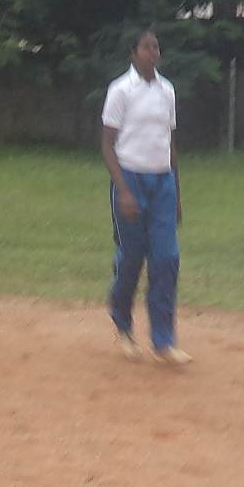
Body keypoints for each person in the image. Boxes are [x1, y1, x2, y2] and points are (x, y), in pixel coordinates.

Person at [100, 29, 190, 366]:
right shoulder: (120, 91)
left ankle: (164, 340)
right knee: (132, 258)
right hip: (131, 180)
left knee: (166, 258)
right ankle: (123, 325)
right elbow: (107, 145)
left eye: (157, 47)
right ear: (133, 52)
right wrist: (122, 189)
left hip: (162, 181)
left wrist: (177, 193)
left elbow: (171, 142)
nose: (154, 52)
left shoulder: (167, 90)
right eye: (147, 47)